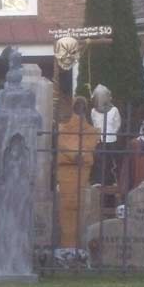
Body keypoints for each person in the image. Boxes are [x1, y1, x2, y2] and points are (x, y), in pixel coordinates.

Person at [56, 97, 99, 248]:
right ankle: (67, 245)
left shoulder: (92, 132)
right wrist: (75, 156)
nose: (80, 108)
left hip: (81, 174)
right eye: (77, 105)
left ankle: (79, 246)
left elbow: (87, 154)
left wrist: (77, 156)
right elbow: (63, 147)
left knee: (80, 207)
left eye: (82, 106)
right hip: (66, 174)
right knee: (67, 207)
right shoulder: (63, 129)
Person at [89, 84, 122, 187]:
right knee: (98, 161)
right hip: (99, 140)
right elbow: (94, 124)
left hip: (111, 140)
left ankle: (112, 181)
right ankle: (98, 180)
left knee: (111, 162)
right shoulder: (93, 111)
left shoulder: (114, 110)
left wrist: (112, 133)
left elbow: (117, 124)